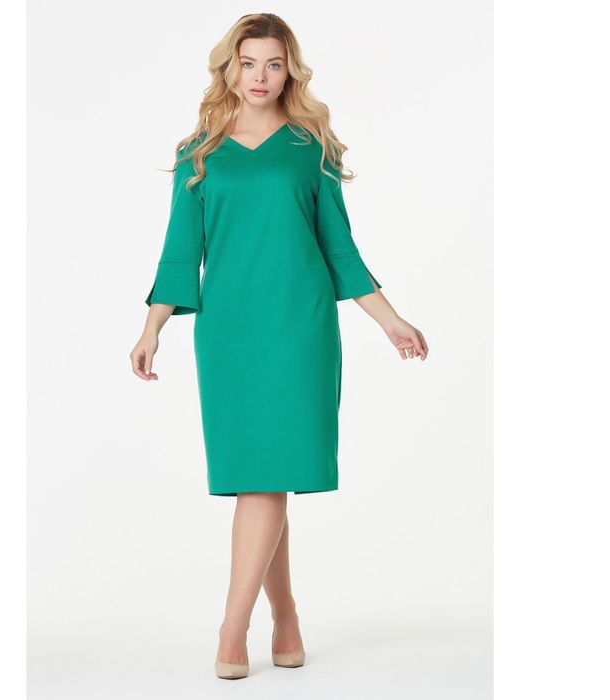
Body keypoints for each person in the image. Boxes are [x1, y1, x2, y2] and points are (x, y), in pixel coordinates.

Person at [129, 13, 428, 680]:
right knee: (259, 478)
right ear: (229, 68)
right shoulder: (199, 153)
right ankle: (285, 616)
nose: (260, 76)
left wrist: (391, 321)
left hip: (299, 330)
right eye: (248, 63)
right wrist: (152, 327)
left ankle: (231, 629)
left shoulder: (311, 147)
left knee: (266, 480)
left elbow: (339, 248)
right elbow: (180, 252)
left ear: (290, 68)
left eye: (273, 63)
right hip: (229, 335)